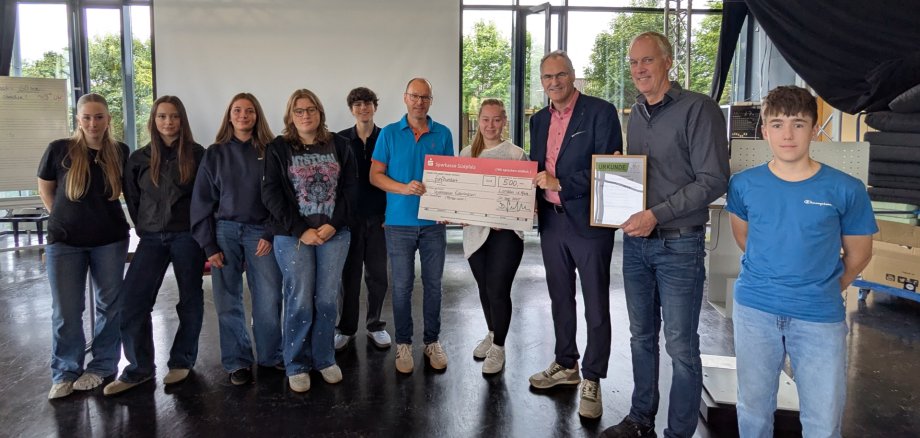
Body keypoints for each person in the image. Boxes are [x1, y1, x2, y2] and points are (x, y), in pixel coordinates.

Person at [726, 86, 876, 437]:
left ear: (814, 127)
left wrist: (823, 287)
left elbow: (860, 254)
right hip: (756, 312)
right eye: (777, 124)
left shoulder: (845, 189)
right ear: (764, 130)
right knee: (753, 412)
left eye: (798, 123)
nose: (787, 134)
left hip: (819, 318)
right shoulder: (744, 185)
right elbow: (744, 238)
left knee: (823, 422)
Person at [603, 32, 729, 437]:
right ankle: (641, 420)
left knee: (680, 347)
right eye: (633, 62)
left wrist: (656, 214)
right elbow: (644, 174)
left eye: (647, 61)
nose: (639, 69)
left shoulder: (699, 109)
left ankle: (678, 433)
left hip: (680, 244)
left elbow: (714, 179)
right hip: (636, 244)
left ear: (668, 61)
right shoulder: (636, 113)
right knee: (640, 337)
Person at [527, 50, 623, 419]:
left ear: (572, 76)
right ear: (542, 81)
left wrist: (561, 182)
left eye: (560, 75)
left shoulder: (601, 112)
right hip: (551, 222)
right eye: (548, 77)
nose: (554, 82)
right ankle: (566, 363)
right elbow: (538, 166)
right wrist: (531, 196)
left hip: (588, 223)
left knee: (596, 303)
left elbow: (610, 168)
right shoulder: (538, 120)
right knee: (560, 298)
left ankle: (594, 378)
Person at [102, 96, 206, 395]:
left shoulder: (198, 155)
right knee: (132, 303)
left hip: (188, 237)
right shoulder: (138, 158)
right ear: (154, 120)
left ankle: (182, 360)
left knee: (190, 301)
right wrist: (145, 226)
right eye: (162, 116)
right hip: (150, 239)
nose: (168, 122)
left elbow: (205, 198)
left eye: (174, 116)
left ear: (182, 120)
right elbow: (133, 199)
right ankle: (139, 369)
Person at [262, 89, 358, 393]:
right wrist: (300, 229)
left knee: (327, 300)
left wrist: (333, 224)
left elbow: (352, 190)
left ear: (320, 113)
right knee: (299, 299)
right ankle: (297, 364)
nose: (306, 115)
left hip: (334, 234)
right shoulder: (277, 148)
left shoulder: (340, 145)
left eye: (311, 109)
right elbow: (271, 194)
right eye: (299, 110)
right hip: (293, 238)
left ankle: (324, 358)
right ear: (291, 115)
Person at [37, 93, 131, 399]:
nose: (93, 123)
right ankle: (65, 371)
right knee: (66, 309)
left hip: (110, 241)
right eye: (87, 117)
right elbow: (46, 187)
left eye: (99, 117)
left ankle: (102, 366)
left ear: (108, 120)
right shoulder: (59, 150)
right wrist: (63, 218)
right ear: (78, 119)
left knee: (109, 306)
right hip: (65, 243)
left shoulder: (120, 151)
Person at [190, 92, 283, 386]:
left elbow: (282, 198)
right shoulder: (214, 153)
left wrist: (270, 232)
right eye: (237, 110)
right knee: (227, 300)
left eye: (250, 111)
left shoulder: (271, 151)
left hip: (261, 233)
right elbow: (202, 201)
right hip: (225, 232)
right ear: (229, 115)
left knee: (268, 298)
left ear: (257, 116)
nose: (243, 115)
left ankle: (270, 355)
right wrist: (209, 245)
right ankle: (237, 361)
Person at [370, 78, 454, 374]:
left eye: (425, 97)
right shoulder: (390, 134)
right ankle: (403, 344)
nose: (420, 102)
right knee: (402, 286)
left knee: (433, 286)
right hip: (399, 224)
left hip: (433, 224)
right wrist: (403, 188)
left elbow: (450, 177)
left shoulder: (443, 133)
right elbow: (375, 176)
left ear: (431, 100)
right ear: (405, 98)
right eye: (415, 96)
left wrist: (447, 207)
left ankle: (431, 342)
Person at [461, 99, 527, 375]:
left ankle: (499, 346)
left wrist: (506, 216)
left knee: (499, 291)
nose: (490, 125)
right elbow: (460, 194)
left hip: (506, 235)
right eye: (485, 119)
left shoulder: (516, 155)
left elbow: (524, 199)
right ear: (479, 120)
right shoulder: (466, 154)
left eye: (496, 119)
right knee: (484, 289)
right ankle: (491, 332)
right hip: (475, 233)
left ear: (504, 121)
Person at [335, 87, 390, 351]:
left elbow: (394, 176)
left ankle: (376, 325)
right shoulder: (340, 140)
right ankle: (345, 328)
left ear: (375, 107)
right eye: (357, 104)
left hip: (380, 218)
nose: (363, 108)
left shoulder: (386, 137)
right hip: (350, 220)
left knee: (378, 275)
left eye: (368, 103)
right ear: (351, 109)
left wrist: (390, 213)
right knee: (349, 276)